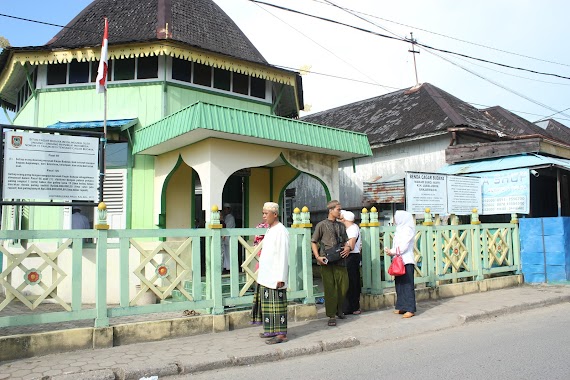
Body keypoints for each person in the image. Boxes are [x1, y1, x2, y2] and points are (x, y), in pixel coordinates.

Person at [251, 202, 289, 344]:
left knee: (277, 306)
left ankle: (281, 335)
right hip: (266, 274)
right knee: (268, 305)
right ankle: (271, 330)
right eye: (263, 213)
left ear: (275, 214)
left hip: (275, 276)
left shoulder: (281, 231)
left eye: (266, 213)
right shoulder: (270, 229)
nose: (264, 216)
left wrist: (281, 276)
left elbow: (283, 255)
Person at [311, 200, 351, 327]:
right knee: (330, 289)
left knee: (343, 286)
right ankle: (331, 315)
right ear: (331, 210)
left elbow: (346, 241)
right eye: (338, 209)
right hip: (326, 261)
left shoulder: (341, 226)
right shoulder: (321, 225)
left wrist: (348, 248)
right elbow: (313, 241)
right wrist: (317, 257)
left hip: (340, 259)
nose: (340, 211)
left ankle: (339, 310)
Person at [384, 210, 417, 318]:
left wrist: (392, 251)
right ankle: (402, 306)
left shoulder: (407, 230)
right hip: (398, 260)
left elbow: (404, 246)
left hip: (406, 260)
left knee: (407, 285)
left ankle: (410, 309)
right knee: (399, 285)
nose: (394, 219)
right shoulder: (399, 229)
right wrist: (391, 252)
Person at [340, 210, 362, 315]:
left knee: (352, 282)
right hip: (349, 257)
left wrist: (346, 247)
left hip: (352, 257)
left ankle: (353, 306)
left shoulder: (353, 229)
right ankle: (347, 306)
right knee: (347, 282)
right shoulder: (349, 228)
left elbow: (351, 245)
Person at [221, 203, 235, 272]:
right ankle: (226, 266)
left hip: (229, 237)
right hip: (225, 238)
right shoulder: (226, 217)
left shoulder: (231, 217)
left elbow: (227, 227)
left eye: (226, 209)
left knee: (229, 253)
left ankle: (229, 267)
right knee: (225, 253)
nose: (225, 210)